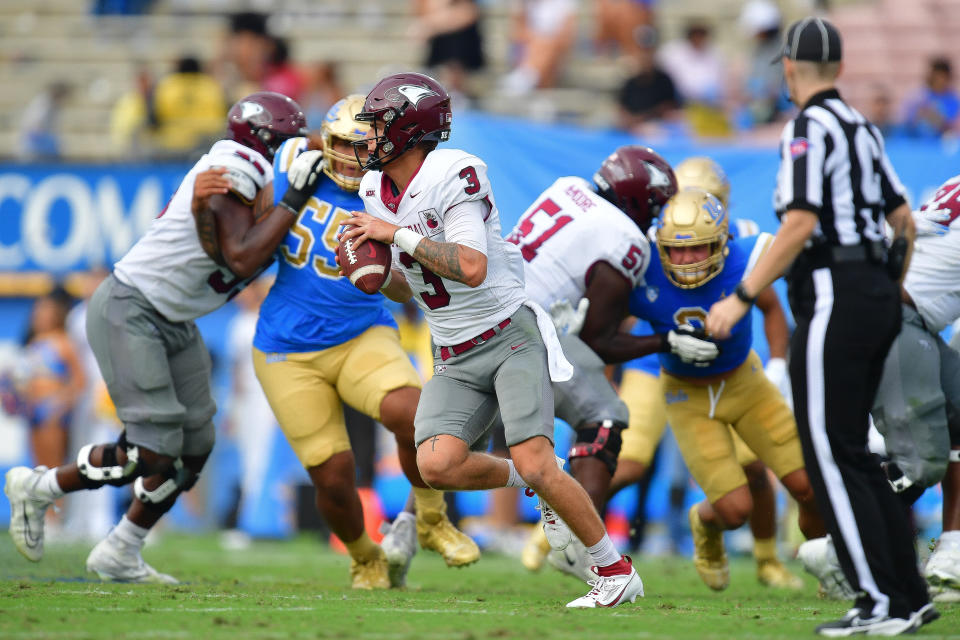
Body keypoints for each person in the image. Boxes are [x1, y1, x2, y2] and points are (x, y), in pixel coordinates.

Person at [341, 71, 642, 608]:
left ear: (410, 129)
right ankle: (541, 485)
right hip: (452, 351)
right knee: (436, 464)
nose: (367, 137)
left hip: (508, 337)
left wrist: (398, 235)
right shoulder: (373, 189)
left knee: (535, 459)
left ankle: (615, 572)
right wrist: (368, 270)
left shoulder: (455, 172)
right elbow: (409, 290)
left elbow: (473, 267)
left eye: (377, 125)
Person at [4, 91, 325, 583]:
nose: (297, 151)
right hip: (133, 307)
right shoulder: (235, 166)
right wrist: (295, 200)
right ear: (266, 144)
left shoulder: (261, 178)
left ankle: (122, 548)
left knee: (195, 444)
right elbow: (241, 257)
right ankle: (41, 486)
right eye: (290, 141)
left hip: (173, 318)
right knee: (153, 451)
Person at [706, 17, 936, 635]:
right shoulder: (861, 126)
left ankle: (882, 601)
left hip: (834, 290)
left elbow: (801, 222)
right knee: (852, 452)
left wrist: (743, 296)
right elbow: (902, 220)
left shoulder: (808, 126)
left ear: (788, 66)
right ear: (838, 67)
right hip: (874, 290)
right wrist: (890, 287)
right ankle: (906, 593)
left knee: (831, 452)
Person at [194, 95, 479, 590]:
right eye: (340, 143)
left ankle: (431, 519)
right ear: (323, 141)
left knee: (413, 415)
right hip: (286, 350)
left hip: (359, 334)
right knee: (333, 475)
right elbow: (243, 239)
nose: (348, 155)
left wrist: (383, 270)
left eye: (359, 144)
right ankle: (364, 555)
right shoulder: (291, 167)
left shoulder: (395, 194)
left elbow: (404, 289)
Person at [610, 156, 804, 590]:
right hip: (673, 380)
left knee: (785, 477)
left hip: (741, 377)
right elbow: (604, 327)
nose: (688, 254)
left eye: (709, 205)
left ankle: (784, 560)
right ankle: (563, 537)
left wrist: (777, 366)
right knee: (637, 466)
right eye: (676, 245)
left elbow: (788, 283)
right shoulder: (645, 261)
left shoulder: (747, 249)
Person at [506, 145, 677, 576]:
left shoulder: (568, 188)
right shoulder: (626, 239)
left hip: (477, 312)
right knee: (604, 416)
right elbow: (598, 341)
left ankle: (420, 520)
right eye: (655, 207)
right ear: (640, 200)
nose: (654, 218)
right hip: (519, 334)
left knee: (453, 445)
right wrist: (667, 340)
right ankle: (585, 548)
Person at [799, 175, 960, 605]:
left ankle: (951, 553)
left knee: (959, 414)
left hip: (907, 319)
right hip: (891, 319)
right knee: (920, 465)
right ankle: (841, 551)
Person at [901, 57, 960, 140]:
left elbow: (952, 129)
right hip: (918, 145)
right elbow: (907, 123)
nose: (940, 81)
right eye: (937, 77)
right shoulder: (918, 96)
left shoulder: (953, 100)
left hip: (941, 146)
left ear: (948, 78)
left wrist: (932, 116)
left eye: (943, 77)